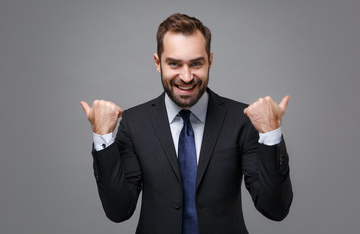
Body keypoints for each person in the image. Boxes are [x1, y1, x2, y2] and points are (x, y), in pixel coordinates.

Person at [81, 13, 293, 234]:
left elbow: (275, 210)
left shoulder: (242, 119)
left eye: (196, 63)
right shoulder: (134, 123)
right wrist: (103, 136)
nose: (186, 76)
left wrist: (270, 134)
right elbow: (119, 211)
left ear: (209, 62)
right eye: (174, 63)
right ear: (157, 63)